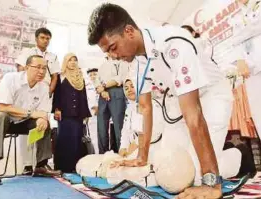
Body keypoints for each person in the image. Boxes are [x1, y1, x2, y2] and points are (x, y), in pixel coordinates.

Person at [87, 3, 241, 198]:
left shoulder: (174, 43)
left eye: (113, 48)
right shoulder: (140, 59)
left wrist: (211, 183)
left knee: (187, 175)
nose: (113, 56)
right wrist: (141, 158)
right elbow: (145, 108)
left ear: (129, 31)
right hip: (182, 104)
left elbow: (194, 115)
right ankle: (214, 159)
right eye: (107, 53)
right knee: (165, 165)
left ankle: (234, 158)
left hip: (212, 98)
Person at [0, 55, 62, 185]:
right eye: (37, 67)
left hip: (17, 121)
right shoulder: (11, 79)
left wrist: (42, 119)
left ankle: (41, 166)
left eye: (44, 68)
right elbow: (1, 107)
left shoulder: (44, 87)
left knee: (45, 124)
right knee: (1, 116)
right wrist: (32, 114)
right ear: (26, 68)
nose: (41, 71)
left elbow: (43, 112)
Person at [15, 27, 60, 175]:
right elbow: (21, 69)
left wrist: (49, 92)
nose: (45, 40)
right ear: (36, 38)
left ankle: (41, 163)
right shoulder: (27, 53)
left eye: (48, 38)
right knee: (25, 125)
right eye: (42, 37)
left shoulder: (53, 56)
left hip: (44, 92)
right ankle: (27, 165)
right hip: (27, 91)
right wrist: (27, 86)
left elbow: (55, 77)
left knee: (42, 125)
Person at [52, 53, 91, 173]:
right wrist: (56, 109)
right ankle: (61, 167)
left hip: (78, 114)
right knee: (63, 139)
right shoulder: (60, 76)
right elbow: (57, 94)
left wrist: (85, 114)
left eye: (75, 60)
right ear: (66, 62)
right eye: (70, 60)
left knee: (76, 139)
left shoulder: (80, 77)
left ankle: (75, 166)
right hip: (64, 114)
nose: (73, 62)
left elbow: (83, 97)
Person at [229, 0, 261, 139]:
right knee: (259, 114)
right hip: (252, 72)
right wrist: (239, 60)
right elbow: (233, 42)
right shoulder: (235, 16)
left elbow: (255, 26)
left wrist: (240, 35)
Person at [119, 79, 163, 161]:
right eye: (126, 88)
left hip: (152, 149)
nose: (129, 90)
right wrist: (123, 147)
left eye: (132, 86)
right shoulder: (129, 109)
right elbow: (125, 131)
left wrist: (137, 143)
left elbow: (156, 130)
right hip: (133, 151)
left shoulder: (153, 104)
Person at [94, 58, 128, 154]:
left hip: (117, 92)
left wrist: (104, 86)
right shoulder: (103, 64)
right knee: (101, 126)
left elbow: (120, 79)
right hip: (103, 94)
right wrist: (102, 91)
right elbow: (97, 80)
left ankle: (121, 153)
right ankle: (102, 153)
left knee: (118, 125)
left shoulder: (123, 63)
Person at [86, 68, 100, 154]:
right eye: (90, 75)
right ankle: (95, 154)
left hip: (102, 113)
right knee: (93, 136)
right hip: (91, 114)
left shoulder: (102, 85)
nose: (92, 76)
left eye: (94, 74)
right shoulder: (87, 87)